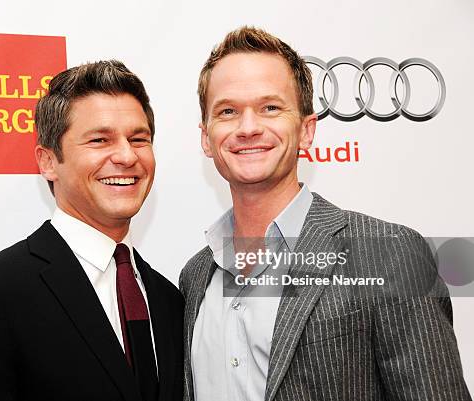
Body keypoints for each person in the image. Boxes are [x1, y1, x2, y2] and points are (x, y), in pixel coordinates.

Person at [179, 26, 471, 401]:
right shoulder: (195, 277)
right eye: (228, 111)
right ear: (206, 137)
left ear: (306, 131)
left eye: (270, 107)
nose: (248, 127)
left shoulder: (389, 255)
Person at [0, 60, 184, 401]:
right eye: (99, 140)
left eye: (139, 139)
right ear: (48, 162)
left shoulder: (169, 299)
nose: (126, 155)